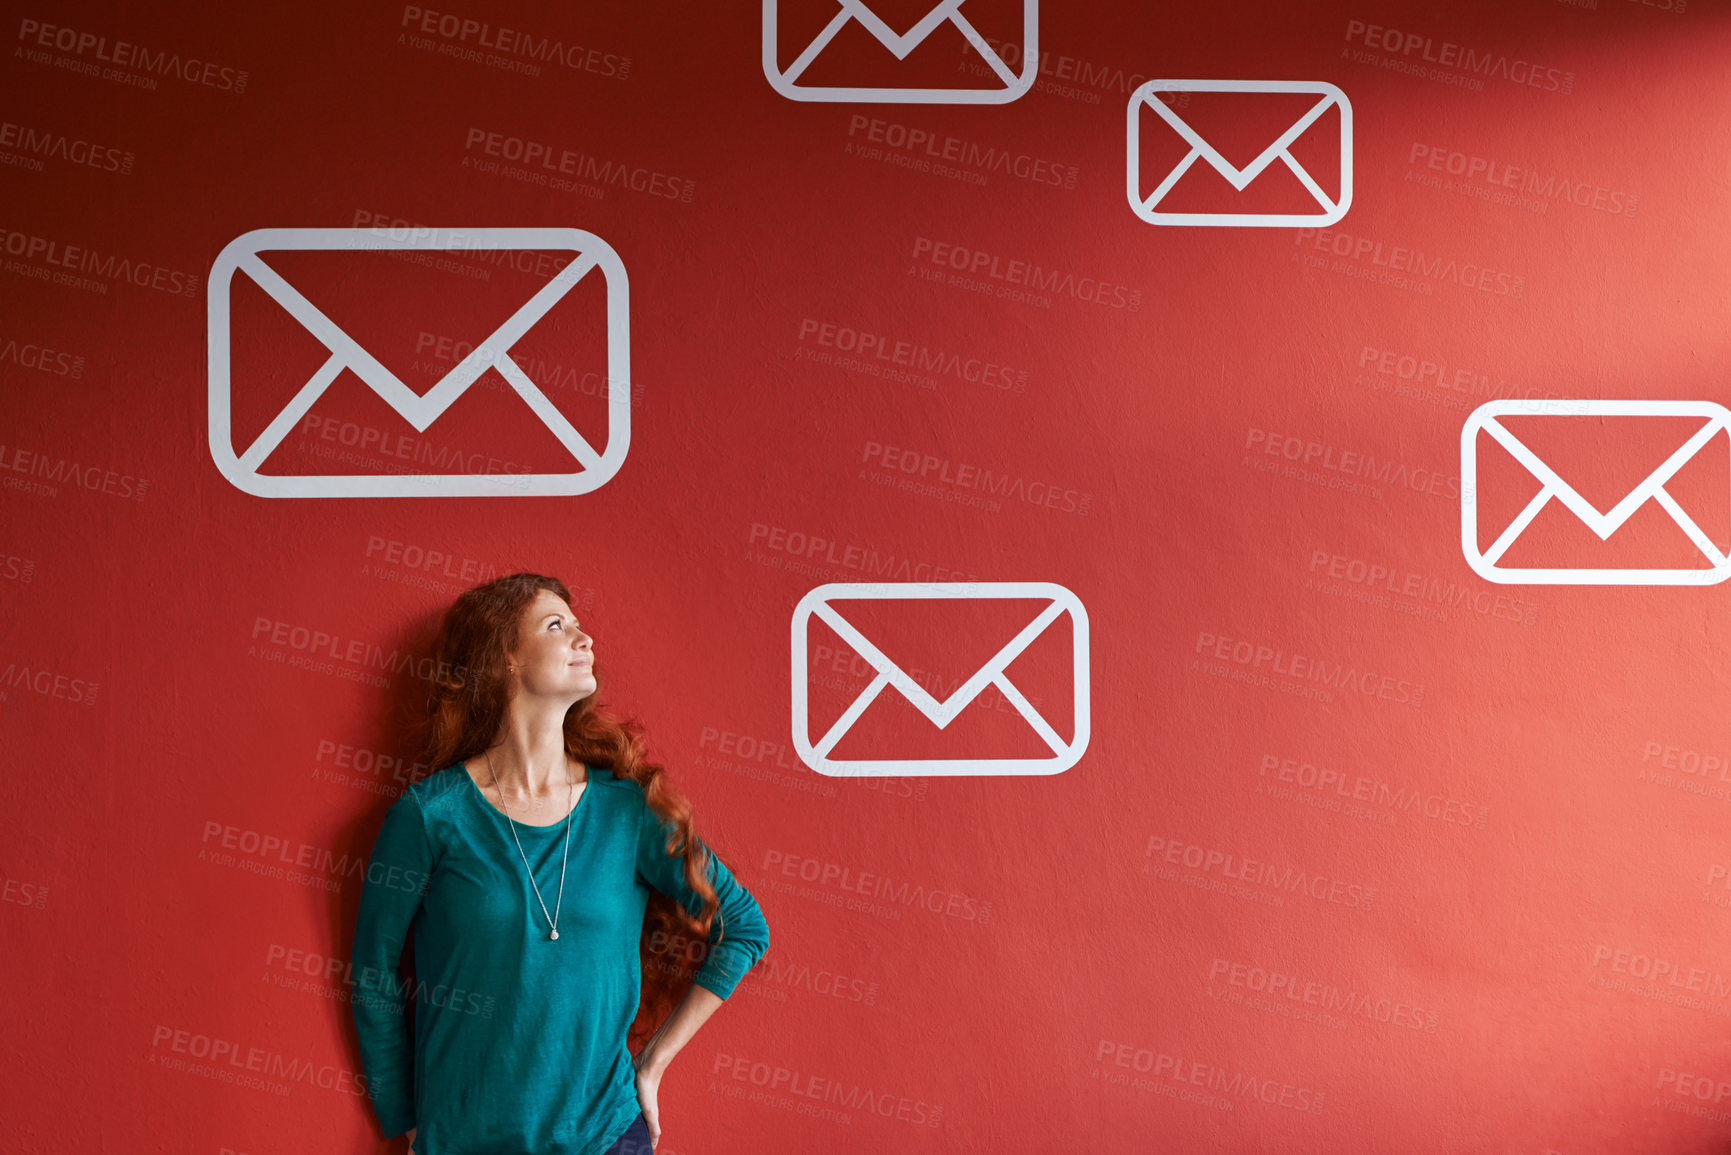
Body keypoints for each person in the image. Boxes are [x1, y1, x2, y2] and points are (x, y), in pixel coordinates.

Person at [351, 573, 771, 1154]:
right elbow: (371, 970)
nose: (585, 638)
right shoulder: (430, 817)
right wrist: (405, 1118)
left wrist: (651, 1065)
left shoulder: (629, 812)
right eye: (557, 626)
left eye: (578, 625)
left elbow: (744, 926)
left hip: (605, 1137)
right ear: (502, 660)